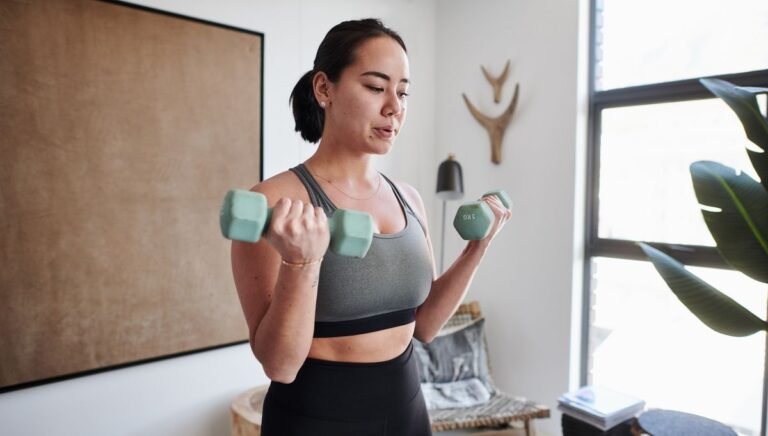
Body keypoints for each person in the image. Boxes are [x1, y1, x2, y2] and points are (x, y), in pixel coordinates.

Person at [230, 18, 510, 436]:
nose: (394, 107)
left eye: (403, 92)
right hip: (315, 417)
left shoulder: (409, 198)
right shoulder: (273, 203)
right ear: (324, 89)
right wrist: (300, 262)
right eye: (376, 87)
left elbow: (427, 325)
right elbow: (280, 365)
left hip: (407, 408)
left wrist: (477, 248)